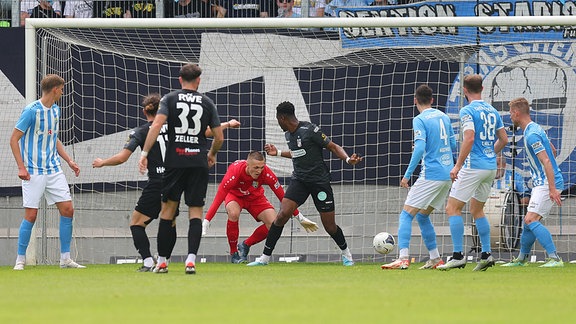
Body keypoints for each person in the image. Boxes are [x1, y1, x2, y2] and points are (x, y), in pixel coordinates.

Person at [92, 93, 239, 272]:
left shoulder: (141, 131)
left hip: (157, 182)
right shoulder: (177, 127)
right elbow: (207, 131)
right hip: (178, 175)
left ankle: (148, 261)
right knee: (171, 220)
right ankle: (165, 260)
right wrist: (228, 124)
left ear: (144, 111)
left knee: (137, 223)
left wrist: (103, 162)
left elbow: (123, 157)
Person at [247, 101, 362, 267]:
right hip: (300, 180)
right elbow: (298, 153)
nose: (278, 123)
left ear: (282, 117)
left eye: (277, 120)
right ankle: (264, 258)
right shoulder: (288, 134)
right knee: (282, 215)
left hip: (319, 182)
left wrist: (347, 159)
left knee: (329, 226)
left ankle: (347, 255)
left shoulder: (310, 130)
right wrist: (277, 153)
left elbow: (333, 146)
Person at [138, 63, 224, 275]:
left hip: (175, 162)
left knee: (168, 211)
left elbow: (156, 126)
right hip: (198, 163)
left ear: (180, 80)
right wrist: (212, 154)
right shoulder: (207, 102)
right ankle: (191, 260)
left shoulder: (169, 99)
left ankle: (163, 261)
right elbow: (219, 136)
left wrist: (144, 153)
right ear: (198, 81)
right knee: (195, 211)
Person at [9, 74, 84, 270]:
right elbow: (14, 139)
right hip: (33, 170)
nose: (62, 92)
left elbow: (54, 138)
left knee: (68, 209)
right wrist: (21, 167)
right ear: (54, 90)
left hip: (53, 169)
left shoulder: (56, 110)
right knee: (31, 215)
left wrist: (69, 160)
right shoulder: (31, 111)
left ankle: (65, 258)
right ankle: (20, 259)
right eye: (61, 89)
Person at [437, 74, 508, 271]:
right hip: (489, 167)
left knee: (452, 208)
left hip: (473, 166)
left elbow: (469, 138)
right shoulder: (493, 111)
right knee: (477, 210)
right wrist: (489, 153)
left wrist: (458, 165)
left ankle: (458, 256)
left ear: (465, 90)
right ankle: (486, 254)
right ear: (483, 89)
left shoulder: (467, 111)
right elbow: (504, 139)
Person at [381, 85, 455, 270]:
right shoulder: (444, 116)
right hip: (447, 174)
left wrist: (407, 176)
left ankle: (403, 258)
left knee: (406, 215)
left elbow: (420, 148)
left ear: (415, 100)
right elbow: (453, 143)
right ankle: (435, 258)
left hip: (431, 175)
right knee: (422, 216)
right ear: (432, 100)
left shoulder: (419, 119)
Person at [202, 151, 319, 263]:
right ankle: (234, 254)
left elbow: (283, 197)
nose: (259, 171)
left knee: (274, 223)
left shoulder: (266, 173)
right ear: (247, 165)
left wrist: (300, 217)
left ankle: (245, 245)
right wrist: (207, 220)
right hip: (235, 196)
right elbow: (219, 197)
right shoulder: (235, 171)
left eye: (262, 167)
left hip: (255, 197)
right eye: (256, 168)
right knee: (233, 213)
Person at [501, 97, 564, 268]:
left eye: (511, 113)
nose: (510, 117)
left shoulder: (531, 135)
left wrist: (552, 188)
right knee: (528, 221)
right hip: (542, 182)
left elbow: (547, 161)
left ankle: (555, 258)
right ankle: (521, 259)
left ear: (516, 113)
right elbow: (552, 149)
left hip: (546, 183)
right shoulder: (536, 129)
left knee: (530, 220)